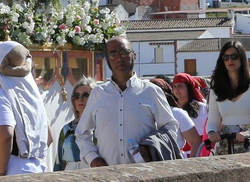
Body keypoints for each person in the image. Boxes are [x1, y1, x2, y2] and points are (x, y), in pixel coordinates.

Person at [77, 36, 180, 167]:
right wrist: (93, 159)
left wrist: (150, 147)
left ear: (134, 56)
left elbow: (170, 127)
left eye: (124, 52)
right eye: (113, 54)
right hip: (106, 175)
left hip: (143, 173)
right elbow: (82, 133)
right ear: (107, 60)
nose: (119, 58)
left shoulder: (151, 91)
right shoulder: (98, 94)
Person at [0, 41, 51, 176]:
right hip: (36, 166)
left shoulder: (0, 95)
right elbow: (49, 136)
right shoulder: (33, 94)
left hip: (11, 166)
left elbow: (6, 135)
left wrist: (0, 171)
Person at [205, 39, 250, 154]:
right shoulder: (216, 88)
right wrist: (211, 132)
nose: (230, 60)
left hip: (249, 143)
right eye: (225, 57)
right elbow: (212, 121)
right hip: (224, 145)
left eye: (234, 56)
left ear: (242, 58)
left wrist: (249, 132)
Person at [149, 75, 202, 156]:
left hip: (175, 160)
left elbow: (195, 141)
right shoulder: (143, 113)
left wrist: (192, 163)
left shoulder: (178, 113)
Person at [55, 77, 94, 170]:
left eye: (86, 95)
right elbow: (59, 161)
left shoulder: (101, 128)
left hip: (93, 175)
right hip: (69, 175)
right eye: (76, 96)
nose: (80, 99)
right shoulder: (66, 129)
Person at [171, 72, 209, 154]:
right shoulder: (171, 109)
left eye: (180, 86)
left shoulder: (202, 108)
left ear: (188, 88)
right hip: (179, 154)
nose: (176, 89)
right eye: (174, 86)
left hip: (200, 152)